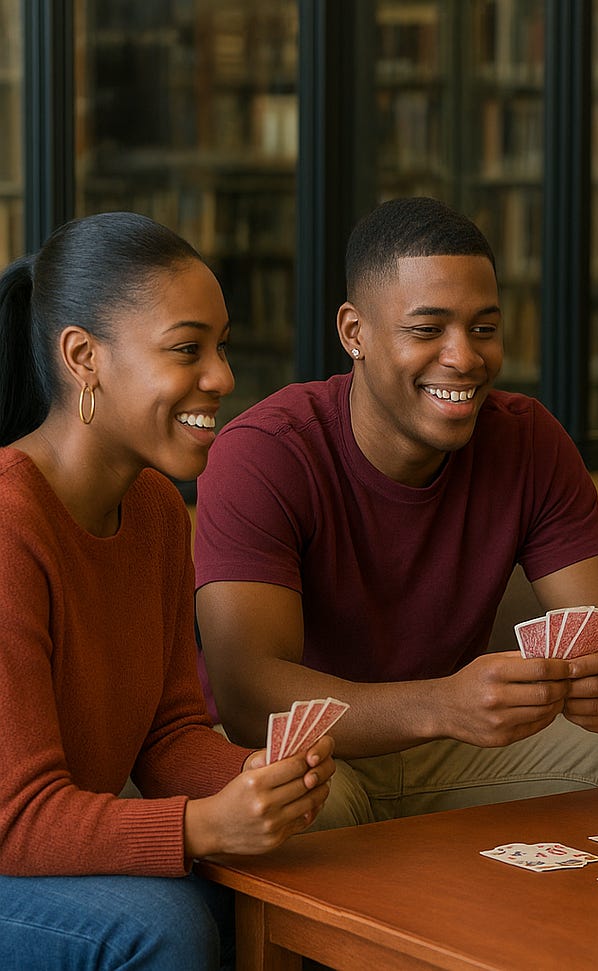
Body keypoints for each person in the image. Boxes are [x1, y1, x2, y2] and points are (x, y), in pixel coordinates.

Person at [193, 196, 598, 831]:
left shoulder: (528, 441)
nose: (464, 358)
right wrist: (441, 705)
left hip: (454, 752)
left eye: (484, 328)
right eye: (427, 329)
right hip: (322, 756)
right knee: (307, 805)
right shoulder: (264, 453)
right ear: (354, 333)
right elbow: (248, 698)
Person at [0, 212, 334, 969]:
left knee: (295, 880)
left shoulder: (153, 507)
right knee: (164, 926)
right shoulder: (9, 524)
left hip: (35, 845)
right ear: (83, 357)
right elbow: (16, 818)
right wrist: (201, 827)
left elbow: (168, 731)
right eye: (188, 349)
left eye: (221, 346)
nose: (221, 377)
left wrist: (252, 777)